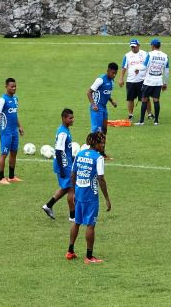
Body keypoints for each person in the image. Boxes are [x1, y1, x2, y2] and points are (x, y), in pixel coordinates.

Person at [67, 132, 112, 264]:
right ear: (95, 143)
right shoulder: (98, 158)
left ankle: (70, 251)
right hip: (91, 195)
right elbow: (101, 178)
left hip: (79, 193)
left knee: (76, 221)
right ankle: (89, 256)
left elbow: (73, 174)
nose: (103, 145)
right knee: (90, 225)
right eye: (102, 142)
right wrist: (107, 199)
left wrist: (74, 192)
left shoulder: (80, 154)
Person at [42, 108, 76, 222]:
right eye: (70, 118)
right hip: (64, 165)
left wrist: (72, 158)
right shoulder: (62, 133)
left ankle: (48, 205)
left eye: (73, 117)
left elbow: (65, 150)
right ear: (63, 118)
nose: (72, 120)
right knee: (72, 189)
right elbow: (58, 151)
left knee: (65, 188)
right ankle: (73, 216)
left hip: (66, 163)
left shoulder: (64, 130)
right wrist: (62, 169)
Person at [0, 77, 24, 185]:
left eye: (15, 86)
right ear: (6, 87)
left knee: (14, 153)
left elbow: (14, 114)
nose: (14, 88)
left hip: (14, 131)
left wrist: (19, 126)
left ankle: (11, 176)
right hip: (6, 131)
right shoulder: (2, 100)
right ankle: (1, 178)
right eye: (12, 87)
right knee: (4, 154)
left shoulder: (15, 99)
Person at [87, 62, 118, 160]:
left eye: (115, 73)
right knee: (97, 131)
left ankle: (102, 153)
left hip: (104, 108)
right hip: (97, 108)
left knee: (104, 130)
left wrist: (111, 100)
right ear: (108, 71)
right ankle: (93, 154)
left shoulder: (112, 81)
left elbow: (106, 93)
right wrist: (93, 104)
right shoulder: (100, 80)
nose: (114, 75)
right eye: (112, 73)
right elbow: (89, 92)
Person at [118, 38, 152, 121]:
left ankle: (150, 114)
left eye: (134, 46)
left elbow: (148, 65)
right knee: (130, 98)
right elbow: (123, 67)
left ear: (139, 46)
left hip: (143, 80)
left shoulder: (145, 54)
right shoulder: (127, 55)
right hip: (131, 81)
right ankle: (130, 114)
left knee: (146, 98)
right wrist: (121, 78)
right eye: (132, 47)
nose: (133, 48)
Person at [137, 38, 169, 126]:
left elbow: (143, 67)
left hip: (148, 81)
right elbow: (166, 71)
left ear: (152, 46)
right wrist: (165, 83)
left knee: (144, 100)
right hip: (158, 81)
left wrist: (137, 69)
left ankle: (141, 121)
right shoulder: (165, 56)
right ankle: (156, 121)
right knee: (156, 100)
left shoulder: (150, 54)